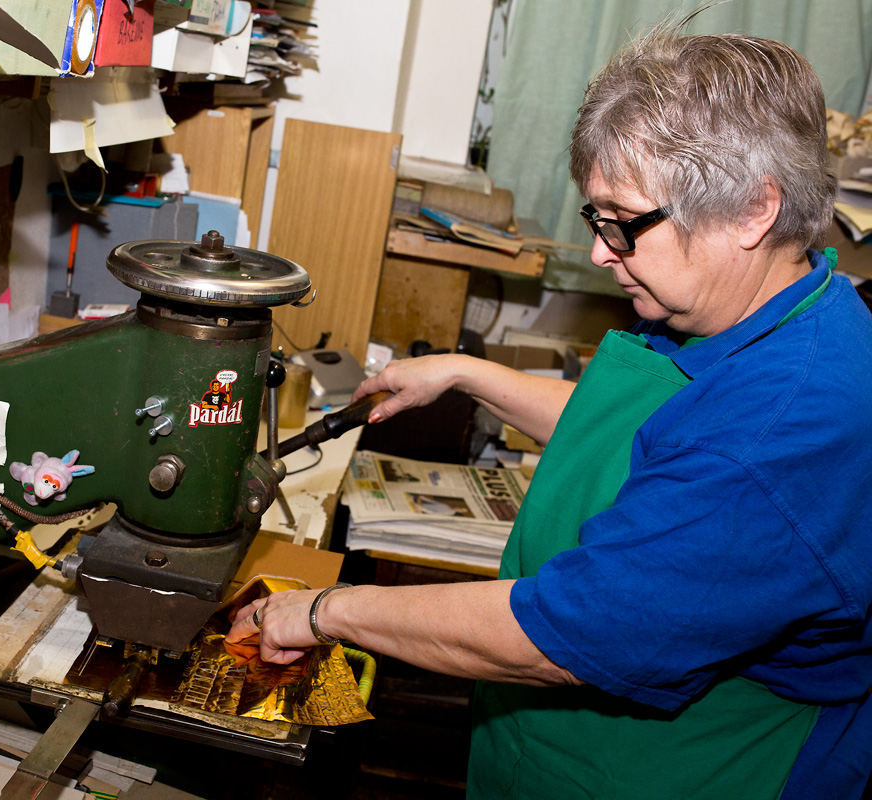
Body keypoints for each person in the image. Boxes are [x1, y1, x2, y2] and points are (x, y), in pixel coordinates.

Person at [227, 19, 872, 800]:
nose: (603, 252)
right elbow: (644, 434)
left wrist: (329, 611)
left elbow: (563, 634)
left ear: (751, 211)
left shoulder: (782, 431)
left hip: (692, 768)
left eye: (622, 222)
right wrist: (468, 374)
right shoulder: (771, 306)